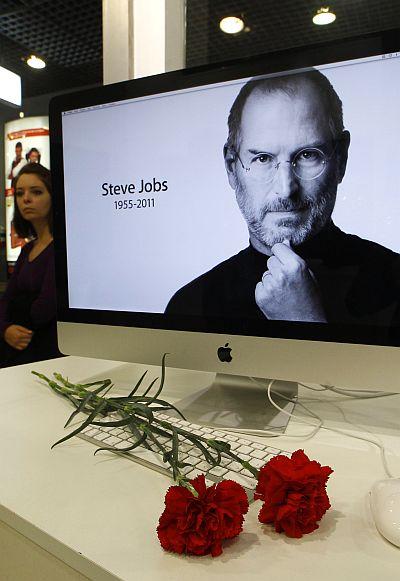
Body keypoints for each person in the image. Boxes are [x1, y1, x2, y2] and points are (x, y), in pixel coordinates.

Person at [166, 69, 400, 326]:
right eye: (263, 158)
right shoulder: (189, 305)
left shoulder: (395, 281)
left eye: (308, 155)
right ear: (232, 168)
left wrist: (305, 321)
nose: (286, 189)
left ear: (341, 159)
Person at [0, 163, 61, 367]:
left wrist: (17, 306)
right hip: (19, 350)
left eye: (36, 192)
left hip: (48, 353)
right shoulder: (27, 249)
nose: (26, 199)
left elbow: (43, 310)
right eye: (19, 193)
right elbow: (6, 300)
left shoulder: (61, 247)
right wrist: (5, 328)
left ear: (53, 195)